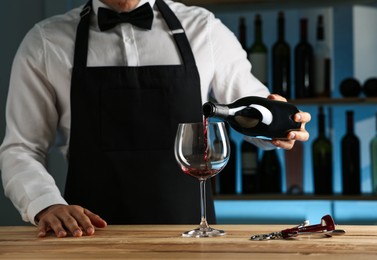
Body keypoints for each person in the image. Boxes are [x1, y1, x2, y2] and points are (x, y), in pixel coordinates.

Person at [0, 0, 311, 238]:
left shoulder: (204, 28)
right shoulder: (45, 41)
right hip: (89, 233)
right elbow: (20, 148)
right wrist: (45, 204)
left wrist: (280, 130)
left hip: (192, 233)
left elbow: (252, 114)